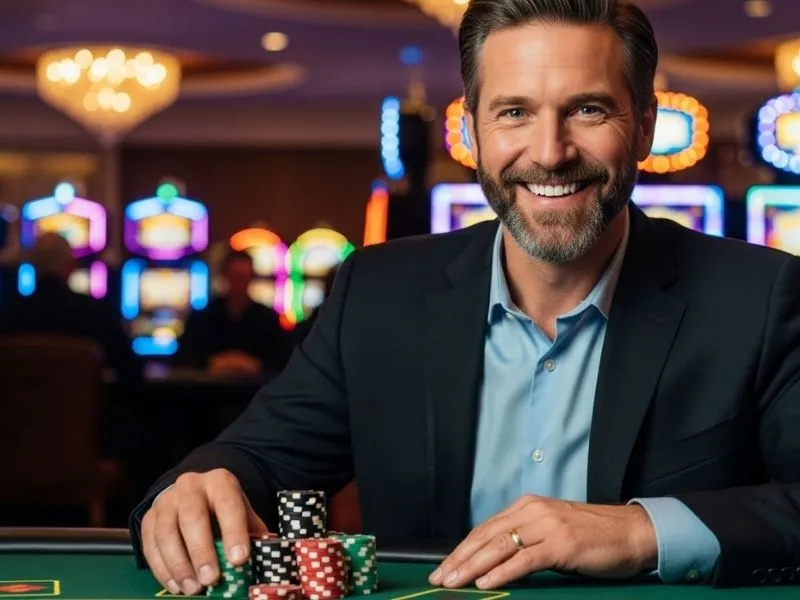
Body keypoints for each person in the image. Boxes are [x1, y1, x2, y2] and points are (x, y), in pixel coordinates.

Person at [130, 0, 800, 596]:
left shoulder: (757, 298)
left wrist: (639, 532)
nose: (550, 152)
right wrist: (196, 486)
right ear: (474, 133)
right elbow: (254, 461)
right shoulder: (378, 293)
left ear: (646, 127)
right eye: (514, 112)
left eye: (588, 110)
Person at [0, 232, 141, 388]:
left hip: (20, 411)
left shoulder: (10, 314)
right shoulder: (97, 312)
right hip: (85, 410)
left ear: (32, 266)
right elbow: (131, 373)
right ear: (71, 266)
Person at [175, 250, 292, 375]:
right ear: (224, 276)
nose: (239, 282)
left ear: (252, 278)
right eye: (235, 275)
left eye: (244, 276)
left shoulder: (268, 318)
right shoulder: (201, 317)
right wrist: (212, 363)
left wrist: (256, 365)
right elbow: (183, 357)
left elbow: (283, 360)